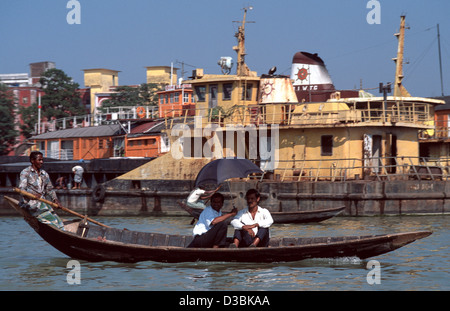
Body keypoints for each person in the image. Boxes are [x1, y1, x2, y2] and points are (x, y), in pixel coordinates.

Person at [18, 151, 65, 230]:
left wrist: (55, 200)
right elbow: (22, 189)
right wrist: (32, 195)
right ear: (32, 161)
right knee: (54, 223)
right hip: (32, 204)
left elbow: (49, 189)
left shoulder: (44, 174)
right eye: (39, 160)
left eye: (42, 160)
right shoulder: (25, 172)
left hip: (43, 203)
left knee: (60, 223)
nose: (42, 162)